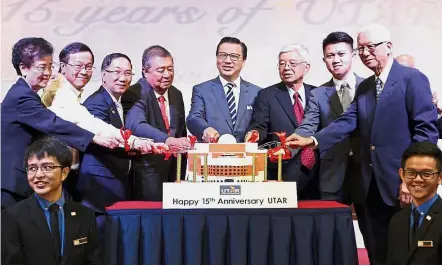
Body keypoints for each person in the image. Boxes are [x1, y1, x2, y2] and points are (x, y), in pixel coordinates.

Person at [286, 23, 438, 264]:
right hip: (368, 187)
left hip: (401, 184)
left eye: (371, 47)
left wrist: (412, 179)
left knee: (409, 252)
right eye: (362, 48)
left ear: (388, 47)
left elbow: (425, 132)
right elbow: (348, 120)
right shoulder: (366, 86)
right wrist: (313, 139)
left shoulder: (412, 79)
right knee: (377, 251)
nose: (365, 53)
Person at [1, 37, 121, 209]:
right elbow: (53, 124)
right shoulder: (21, 96)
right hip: (9, 185)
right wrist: (93, 138)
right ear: (23, 68)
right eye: (42, 67)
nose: (48, 73)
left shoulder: (28, 94)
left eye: (50, 67)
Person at [78, 53, 156, 231]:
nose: (123, 78)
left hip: (115, 184)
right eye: (117, 72)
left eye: (128, 73)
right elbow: (109, 142)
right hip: (99, 188)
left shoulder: (118, 103)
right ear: (103, 74)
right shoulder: (96, 103)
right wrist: (143, 146)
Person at [1, 137, 101, 264]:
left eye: (47, 167)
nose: (38, 175)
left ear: (64, 173)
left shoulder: (85, 215)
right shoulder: (11, 217)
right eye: (32, 168)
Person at [295, 31, 364, 203]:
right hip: (332, 174)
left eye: (341, 54)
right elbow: (308, 126)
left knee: (372, 229)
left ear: (353, 54)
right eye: (330, 55)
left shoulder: (370, 87)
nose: (336, 60)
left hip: (367, 173)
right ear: (324, 60)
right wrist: (293, 140)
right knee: (330, 229)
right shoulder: (318, 94)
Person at [245, 44, 318, 197]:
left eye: (292, 63)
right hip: (282, 170)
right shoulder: (267, 95)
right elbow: (259, 126)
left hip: (319, 172)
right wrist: (254, 134)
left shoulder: (318, 93)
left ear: (307, 67)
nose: (286, 68)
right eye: (282, 63)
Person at [124, 45, 188, 201]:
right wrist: (168, 140)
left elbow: (180, 131)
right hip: (147, 174)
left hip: (174, 173)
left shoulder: (176, 93)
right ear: (145, 71)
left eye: (170, 69)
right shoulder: (135, 92)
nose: (167, 74)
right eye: (161, 70)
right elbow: (136, 125)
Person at [187, 37, 261, 143]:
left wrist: (255, 132)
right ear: (217, 58)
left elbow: (262, 124)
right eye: (223, 55)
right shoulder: (202, 90)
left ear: (244, 61)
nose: (227, 61)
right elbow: (193, 118)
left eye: (234, 57)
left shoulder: (257, 93)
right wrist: (205, 129)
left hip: (247, 156)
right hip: (212, 154)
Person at [387, 141, 442, 264]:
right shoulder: (397, 220)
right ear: (402, 174)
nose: (417, 179)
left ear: (440, 177)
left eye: (426, 174)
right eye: (411, 173)